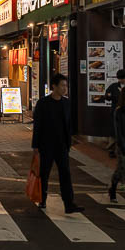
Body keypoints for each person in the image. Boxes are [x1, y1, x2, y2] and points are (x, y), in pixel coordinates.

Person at [31, 73, 84, 213]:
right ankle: (42, 199)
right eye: (62, 85)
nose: (65, 88)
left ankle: (69, 203)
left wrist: (69, 142)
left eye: (66, 85)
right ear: (54, 86)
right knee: (44, 173)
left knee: (65, 174)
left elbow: (69, 124)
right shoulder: (43, 103)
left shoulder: (66, 103)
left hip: (62, 145)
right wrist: (35, 145)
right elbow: (38, 125)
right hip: (46, 145)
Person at [104, 69, 125, 157]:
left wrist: (113, 96)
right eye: (119, 78)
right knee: (113, 131)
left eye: (122, 78)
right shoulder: (113, 86)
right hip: (115, 111)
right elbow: (107, 96)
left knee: (124, 131)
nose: (120, 80)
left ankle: (123, 150)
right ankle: (111, 150)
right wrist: (112, 96)